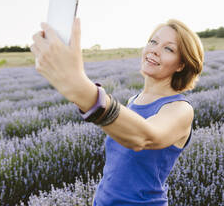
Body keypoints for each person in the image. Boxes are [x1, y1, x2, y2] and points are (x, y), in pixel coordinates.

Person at [31, 17, 204, 205]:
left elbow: (144, 137)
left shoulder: (180, 109)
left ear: (181, 65)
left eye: (168, 49)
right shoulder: (133, 101)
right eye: (153, 42)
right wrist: (72, 88)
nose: (154, 50)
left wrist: (81, 88)